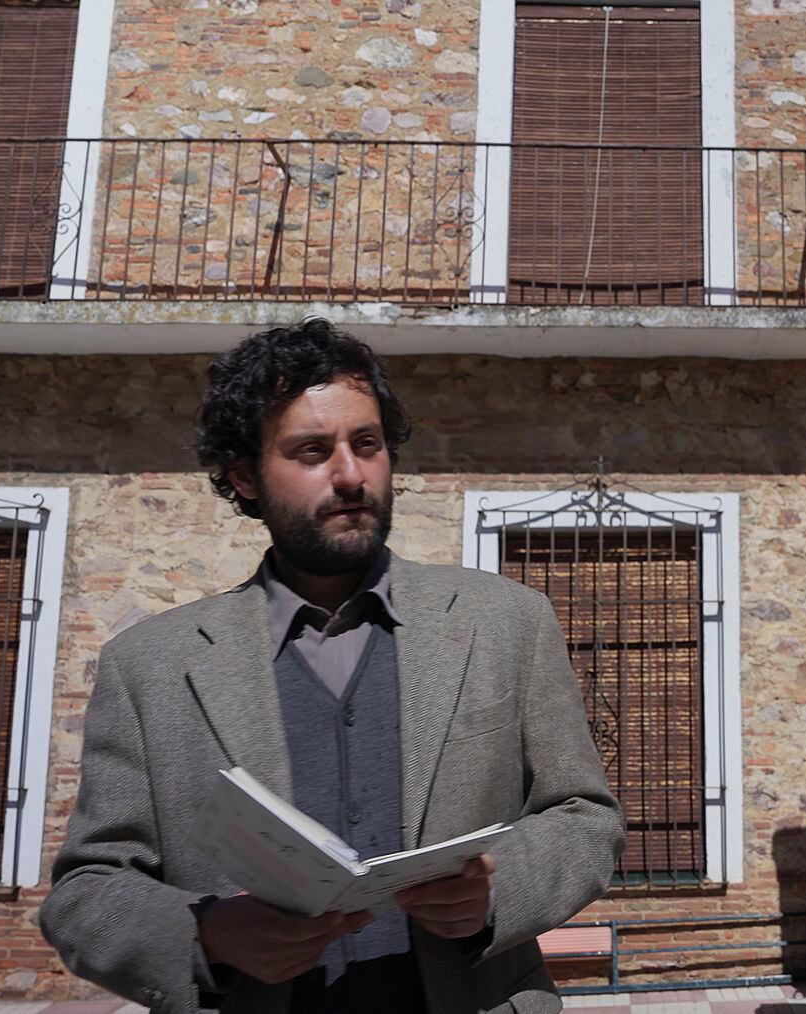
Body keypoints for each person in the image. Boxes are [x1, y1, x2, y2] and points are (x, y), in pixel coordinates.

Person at [40, 319, 624, 1013]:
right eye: (312, 451)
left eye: (366, 444)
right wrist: (209, 935)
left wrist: (499, 890)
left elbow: (584, 816)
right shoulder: (151, 668)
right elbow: (86, 893)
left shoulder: (506, 622)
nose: (350, 475)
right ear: (243, 476)